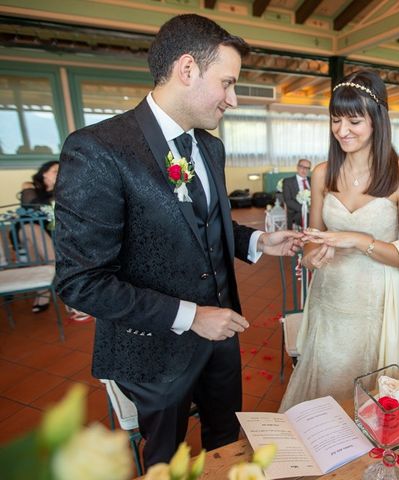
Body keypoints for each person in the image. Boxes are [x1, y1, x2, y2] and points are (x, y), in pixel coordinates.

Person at [54, 14, 302, 468]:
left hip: (222, 337)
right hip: (152, 353)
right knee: (165, 462)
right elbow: (82, 282)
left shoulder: (210, 147)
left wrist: (258, 242)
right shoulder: (98, 149)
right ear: (187, 69)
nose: (233, 98)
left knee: (226, 444)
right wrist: (190, 317)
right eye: (227, 83)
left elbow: (203, 226)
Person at [278, 70, 399, 411]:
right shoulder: (322, 173)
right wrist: (310, 254)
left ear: (377, 120)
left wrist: (358, 239)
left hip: (376, 302)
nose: (342, 131)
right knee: (324, 388)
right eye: (335, 120)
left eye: (354, 121)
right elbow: (313, 241)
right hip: (330, 299)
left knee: (368, 397)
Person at [19, 161, 58, 312]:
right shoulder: (30, 187)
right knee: (31, 229)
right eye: (55, 171)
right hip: (27, 229)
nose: (59, 173)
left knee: (34, 253)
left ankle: (43, 294)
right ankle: (58, 266)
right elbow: (32, 206)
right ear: (44, 173)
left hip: (49, 234)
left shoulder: (62, 191)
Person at [282, 158, 312, 229]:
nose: (304, 170)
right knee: (310, 217)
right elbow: (288, 201)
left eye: (307, 168)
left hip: (313, 210)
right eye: (302, 167)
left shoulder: (312, 180)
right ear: (297, 167)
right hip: (296, 212)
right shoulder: (288, 182)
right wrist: (305, 209)